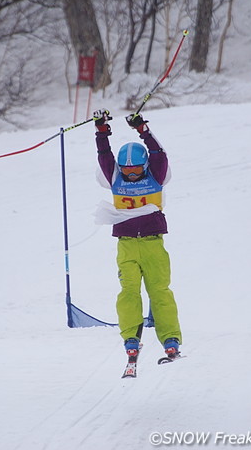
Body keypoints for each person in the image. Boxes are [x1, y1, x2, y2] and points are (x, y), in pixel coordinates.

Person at [92, 108, 182, 362]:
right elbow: (104, 155)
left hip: (154, 244)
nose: (131, 176)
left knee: (160, 291)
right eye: (126, 171)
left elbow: (158, 154)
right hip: (127, 244)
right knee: (128, 291)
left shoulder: (156, 175)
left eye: (136, 171)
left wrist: (143, 129)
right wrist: (101, 130)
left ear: (145, 166)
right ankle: (131, 337)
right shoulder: (114, 177)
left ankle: (171, 339)